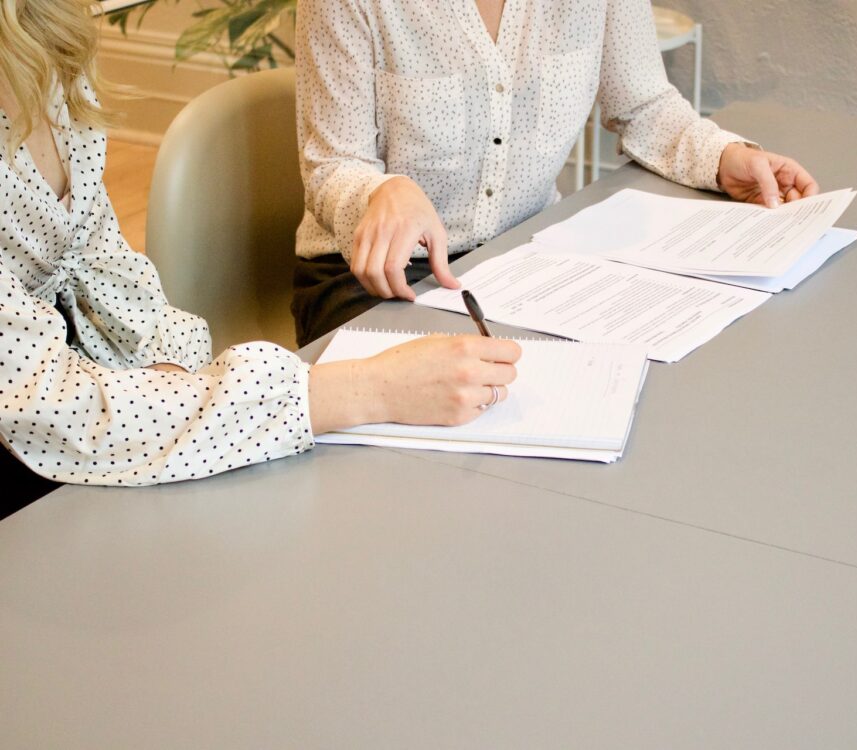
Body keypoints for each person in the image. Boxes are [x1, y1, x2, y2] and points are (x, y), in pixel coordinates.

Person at [0, 0, 521, 506]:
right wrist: (370, 389)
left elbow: (107, 274)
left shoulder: (44, 41)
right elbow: (46, 405)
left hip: (105, 412)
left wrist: (180, 378)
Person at [292, 0, 820, 345]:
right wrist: (381, 192)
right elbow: (332, 165)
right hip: (373, 278)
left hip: (523, 260)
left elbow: (643, 104)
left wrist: (725, 157)